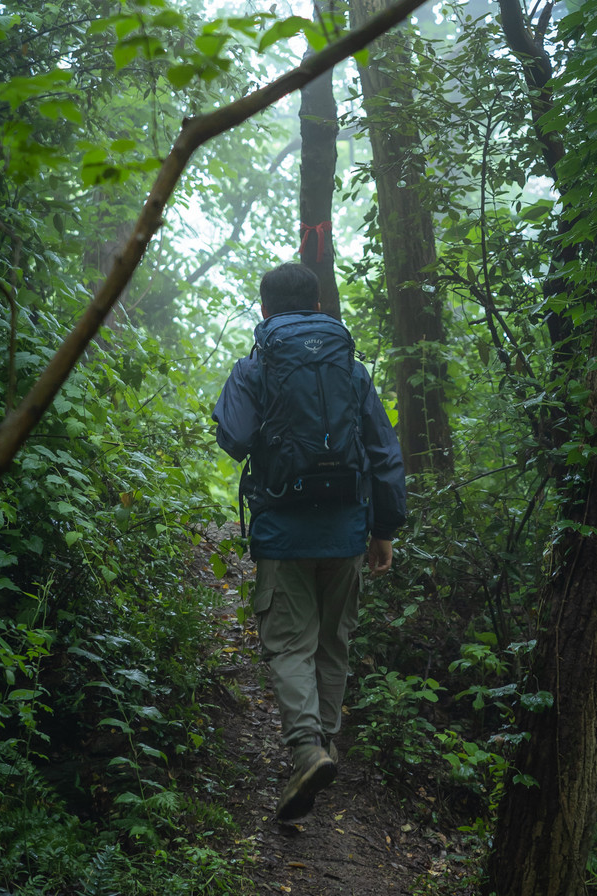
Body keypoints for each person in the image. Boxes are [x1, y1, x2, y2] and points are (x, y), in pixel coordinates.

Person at [213, 261, 407, 822]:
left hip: (283, 530)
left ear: (264, 308)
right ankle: (324, 744)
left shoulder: (257, 366)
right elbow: (383, 451)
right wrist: (384, 530)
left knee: (290, 646)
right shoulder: (352, 368)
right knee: (332, 644)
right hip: (347, 529)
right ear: (319, 305)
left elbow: (235, 438)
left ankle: (305, 752)